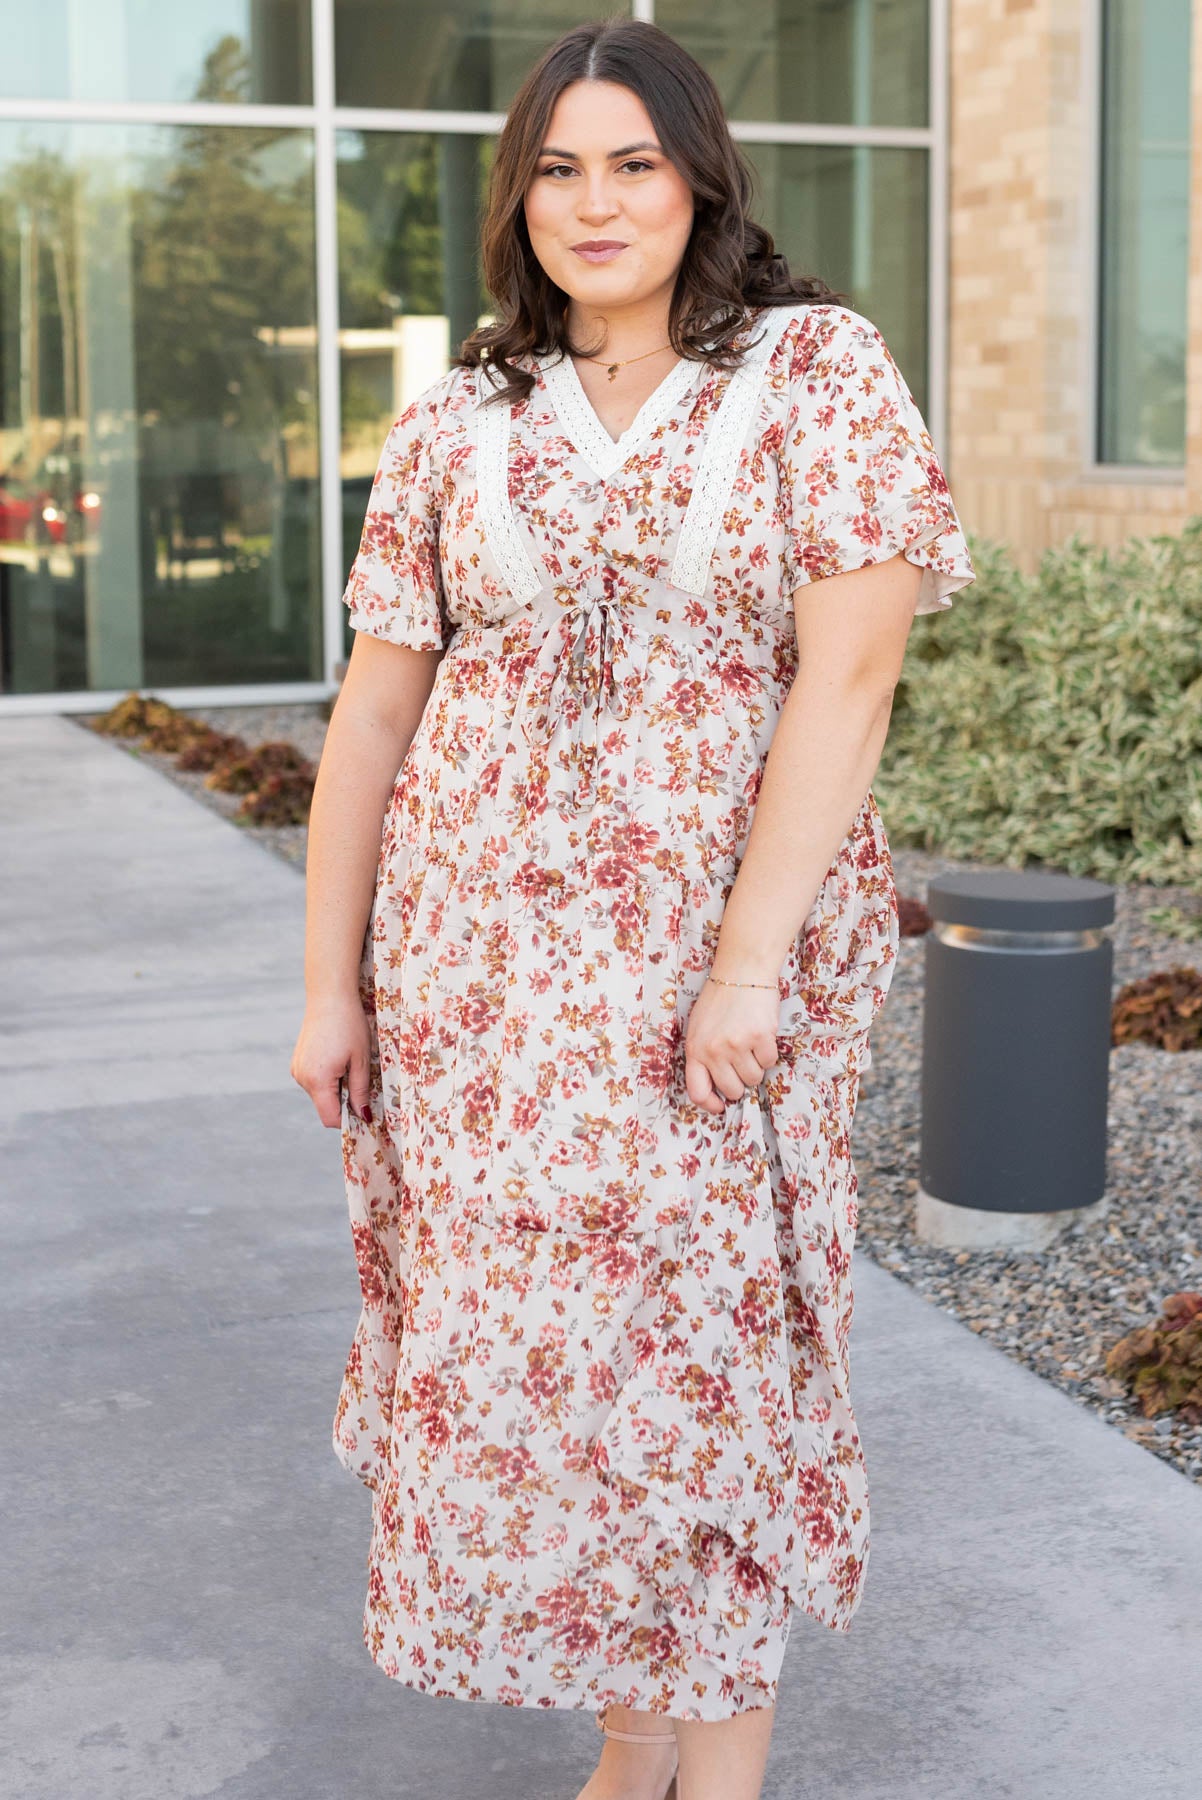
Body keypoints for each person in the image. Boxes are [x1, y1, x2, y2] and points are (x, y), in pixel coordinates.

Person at [291, 17, 976, 1800]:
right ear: (517, 194)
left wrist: (744, 969)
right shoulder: (461, 412)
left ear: (699, 179)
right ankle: (629, 1747)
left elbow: (846, 683)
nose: (594, 204)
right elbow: (374, 711)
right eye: (558, 168)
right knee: (550, 1364)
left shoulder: (815, 374)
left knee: (713, 1349)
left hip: (713, 970)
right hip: (476, 986)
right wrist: (327, 988)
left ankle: (714, 1774)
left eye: (635, 164)